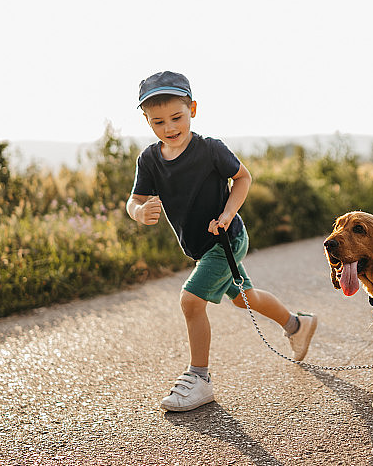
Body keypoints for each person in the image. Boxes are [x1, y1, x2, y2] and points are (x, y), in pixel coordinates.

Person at [126, 71, 317, 412]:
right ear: (146, 121)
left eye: (176, 117)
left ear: (192, 110)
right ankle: (297, 325)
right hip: (202, 248)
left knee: (190, 302)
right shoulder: (150, 160)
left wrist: (228, 214)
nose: (169, 128)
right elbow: (133, 200)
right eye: (158, 122)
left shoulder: (210, 149)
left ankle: (199, 378)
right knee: (245, 298)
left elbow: (243, 177)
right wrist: (139, 212)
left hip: (227, 238)